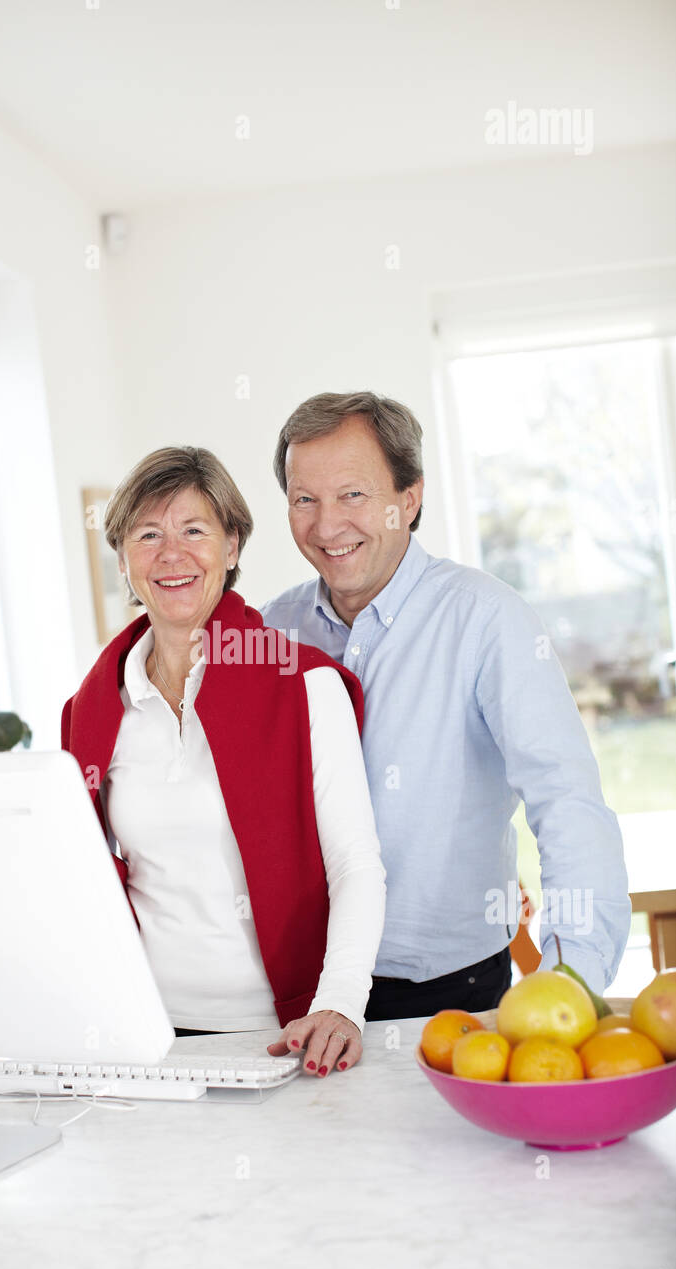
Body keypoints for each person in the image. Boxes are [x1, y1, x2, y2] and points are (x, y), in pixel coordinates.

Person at [260, 391, 631, 1020]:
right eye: (304, 499)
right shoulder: (271, 631)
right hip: (303, 990)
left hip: (447, 992)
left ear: (409, 499)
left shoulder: (486, 620)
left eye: (353, 494)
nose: (326, 526)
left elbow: (566, 801)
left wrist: (574, 978)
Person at [61, 445, 386, 1076]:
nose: (171, 555)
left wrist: (341, 1003)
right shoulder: (93, 709)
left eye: (194, 531)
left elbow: (355, 861)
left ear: (232, 546)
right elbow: (80, 876)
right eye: (148, 534)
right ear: (125, 559)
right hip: (146, 1034)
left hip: (285, 1032)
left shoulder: (303, 686)